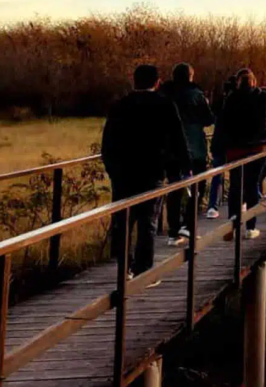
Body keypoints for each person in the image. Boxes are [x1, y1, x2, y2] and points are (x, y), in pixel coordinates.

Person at [101, 64, 189, 280]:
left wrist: (112, 169)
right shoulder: (165, 105)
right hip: (153, 171)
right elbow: (178, 139)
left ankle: (124, 268)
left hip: (123, 173)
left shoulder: (119, 106)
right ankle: (144, 271)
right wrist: (183, 168)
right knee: (147, 221)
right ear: (157, 82)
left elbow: (108, 142)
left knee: (123, 222)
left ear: (134, 80)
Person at [215, 69, 266, 239]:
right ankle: (250, 227)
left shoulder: (231, 98)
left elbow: (222, 121)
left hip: (235, 148)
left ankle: (232, 223)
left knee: (236, 185)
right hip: (258, 148)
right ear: (254, 81)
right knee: (252, 185)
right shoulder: (264, 97)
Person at [159, 63, 215, 247]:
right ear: (191, 76)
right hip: (195, 148)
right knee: (198, 186)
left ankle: (173, 232)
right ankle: (189, 224)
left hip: (170, 150)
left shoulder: (165, 95)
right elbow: (209, 119)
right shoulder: (196, 95)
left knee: (174, 188)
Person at [205, 75, 241, 219]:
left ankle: (212, 205)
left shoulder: (220, 103)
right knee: (236, 175)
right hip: (233, 143)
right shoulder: (238, 104)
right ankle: (239, 204)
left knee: (217, 174)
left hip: (219, 142)